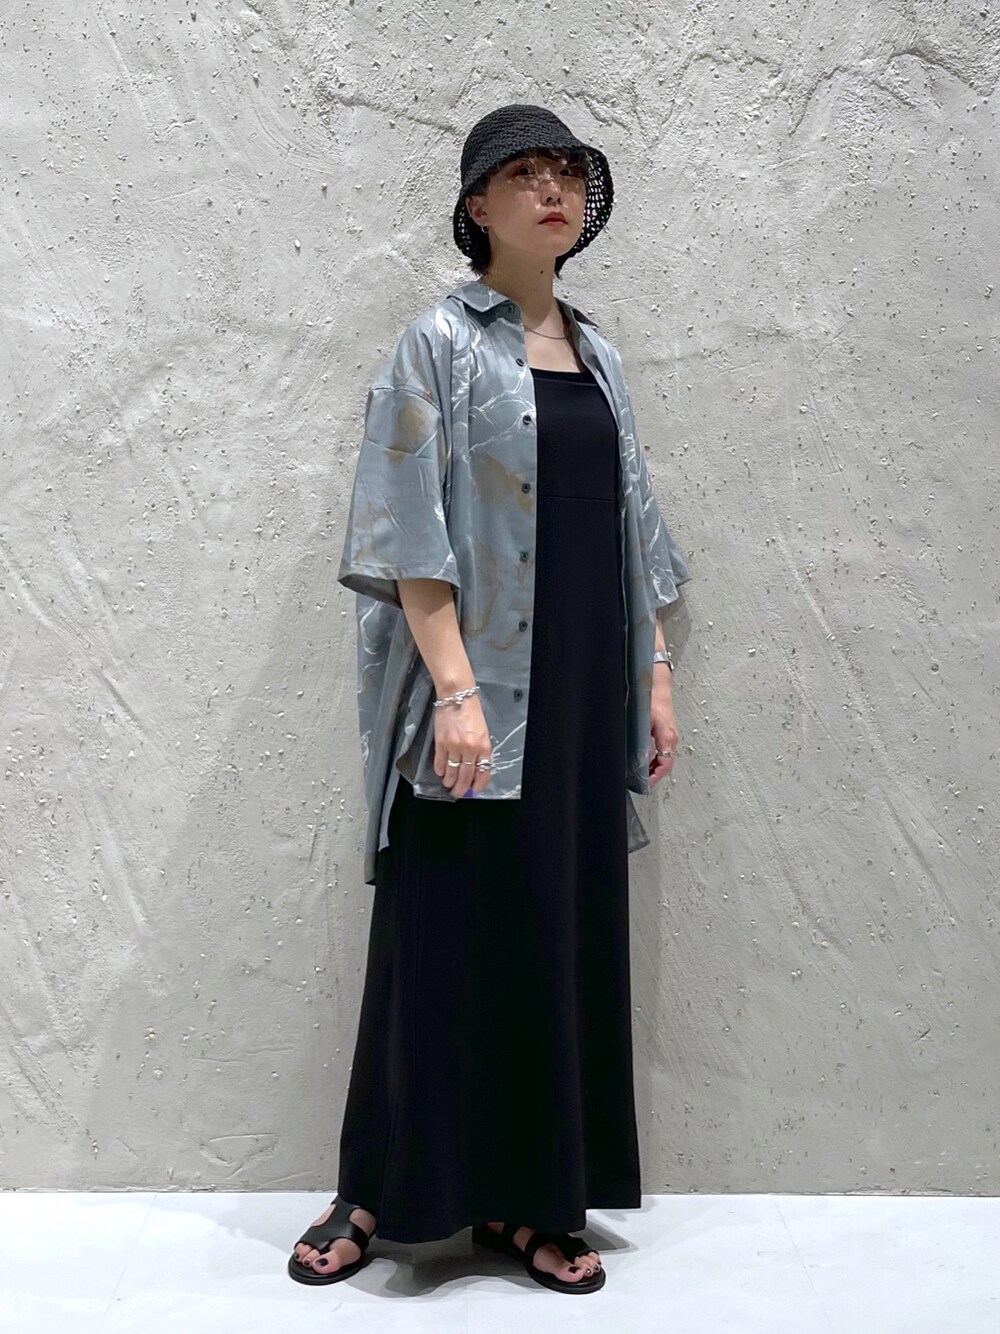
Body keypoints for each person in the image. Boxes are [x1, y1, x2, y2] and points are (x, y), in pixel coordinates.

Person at [287, 103, 692, 1295]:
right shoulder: (436, 344)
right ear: (477, 206)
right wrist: (455, 691)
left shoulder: (599, 355)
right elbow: (404, 531)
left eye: (566, 173)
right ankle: (378, 1186)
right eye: (524, 174)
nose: (552, 190)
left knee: (553, 931)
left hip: (580, 691)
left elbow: (632, 528)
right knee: (441, 928)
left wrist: (653, 674)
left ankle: (532, 1196)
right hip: (476, 688)